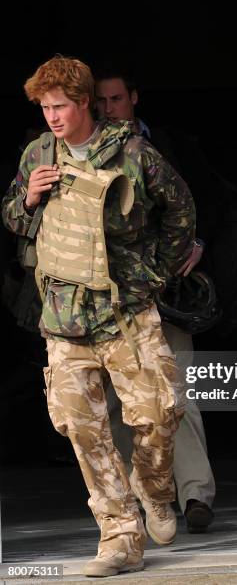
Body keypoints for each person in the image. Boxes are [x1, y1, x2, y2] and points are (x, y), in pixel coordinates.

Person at [1, 56, 195, 577]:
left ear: (84, 101)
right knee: (84, 433)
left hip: (126, 312)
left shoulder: (133, 152)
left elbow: (180, 212)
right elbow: (13, 219)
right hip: (64, 317)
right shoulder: (38, 153)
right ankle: (120, 537)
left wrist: (152, 277)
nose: (52, 117)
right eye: (44, 107)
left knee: (157, 416)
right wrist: (29, 196)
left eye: (60, 106)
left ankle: (154, 490)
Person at [94, 71, 216, 533]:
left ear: (134, 99)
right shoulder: (81, 153)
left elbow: (207, 201)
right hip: (113, 298)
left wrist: (197, 242)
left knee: (179, 392)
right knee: (120, 402)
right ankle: (141, 500)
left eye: (117, 98)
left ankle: (196, 493)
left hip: (165, 290)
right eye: (101, 100)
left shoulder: (168, 144)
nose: (109, 107)